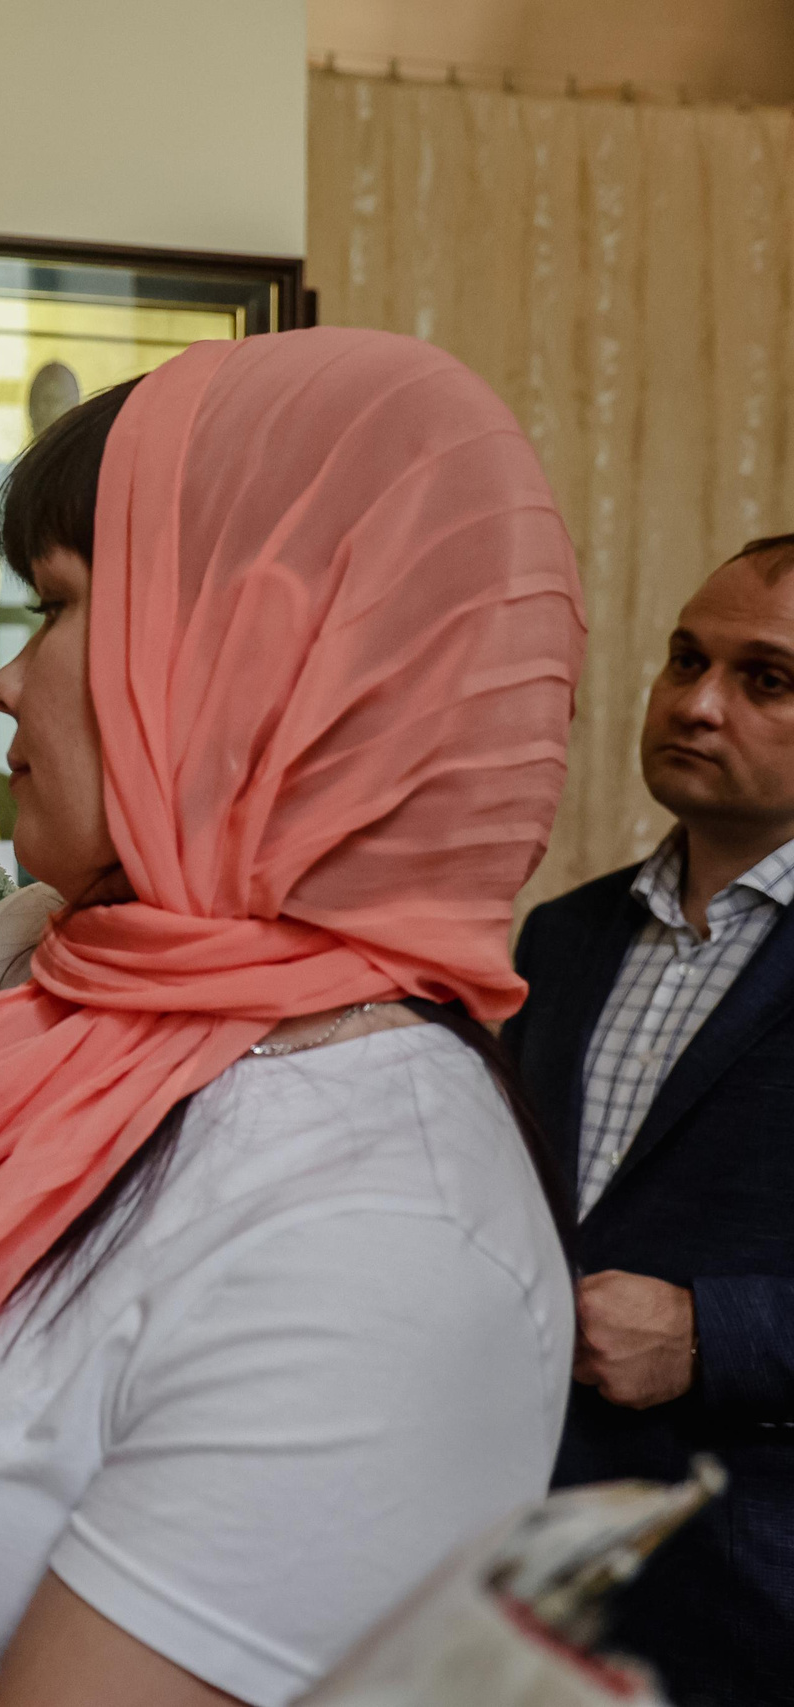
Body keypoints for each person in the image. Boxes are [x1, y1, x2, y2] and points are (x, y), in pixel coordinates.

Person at [0, 328, 589, 1707]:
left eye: (53, 608)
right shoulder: (66, 998)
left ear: (249, 664)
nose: (4, 678)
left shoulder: (384, 1235)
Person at [503, 535, 794, 1705]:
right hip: (530, 1560)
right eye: (684, 659)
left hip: (755, 1592)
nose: (695, 703)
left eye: (764, 678)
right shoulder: (561, 936)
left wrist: (708, 1332)